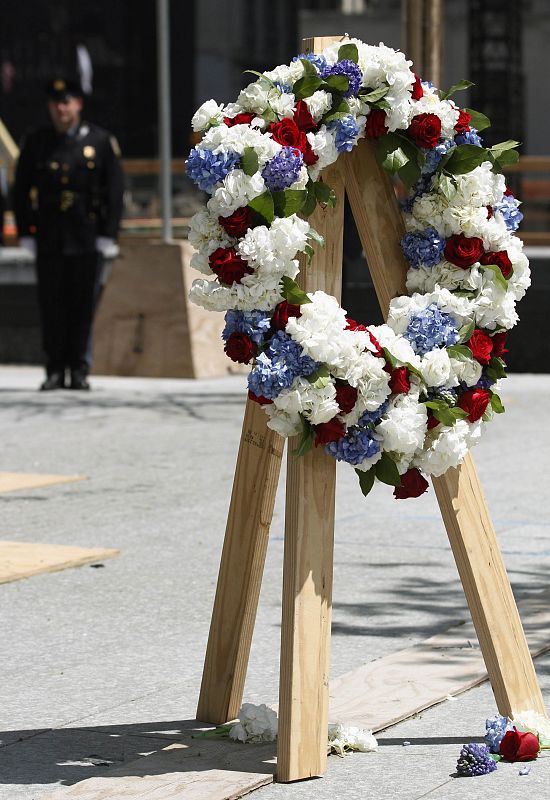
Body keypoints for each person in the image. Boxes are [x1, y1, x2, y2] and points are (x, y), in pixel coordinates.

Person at [14, 77, 124, 390]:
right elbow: (21, 190)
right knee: (51, 305)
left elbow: (114, 190)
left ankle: (78, 369)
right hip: (48, 236)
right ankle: (54, 368)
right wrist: (25, 231)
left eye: (67, 102)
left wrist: (108, 232)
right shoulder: (37, 141)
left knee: (81, 305)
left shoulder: (100, 141)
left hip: (86, 236)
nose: (61, 108)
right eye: (56, 103)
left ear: (78, 104)